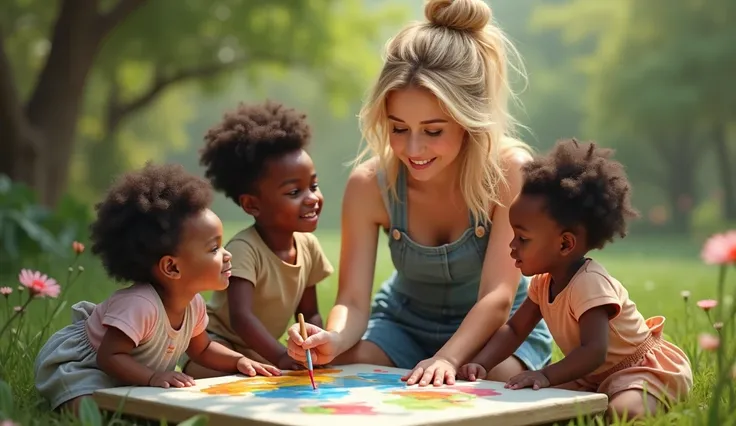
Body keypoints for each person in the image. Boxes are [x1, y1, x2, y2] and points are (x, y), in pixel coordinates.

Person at [286, 0, 553, 387]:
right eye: (398, 128)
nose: (412, 150)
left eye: (432, 131)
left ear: (468, 120)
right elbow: (353, 301)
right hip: (402, 324)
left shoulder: (510, 172)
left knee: (495, 383)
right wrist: (336, 338)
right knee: (343, 369)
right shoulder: (368, 185)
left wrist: (446, 358)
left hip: (497, 333)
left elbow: (497, 296)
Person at [457, 139, 693, 420]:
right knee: (535, 405)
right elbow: (514, 330)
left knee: (623, 411)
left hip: (637, 370)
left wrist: (545, 375)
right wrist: (481, 363)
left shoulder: (589, 283)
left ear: (565, 244)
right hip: (590, 375)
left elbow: (594, 350)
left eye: (523, 238)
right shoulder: (543, 283)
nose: (511, 246)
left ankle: (663, 399)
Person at [34, 163, 280, 414]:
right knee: (92, 409)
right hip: (85, 366)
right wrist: (152, 378)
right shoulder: (141, 305)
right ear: (172, 268)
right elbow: (109, 357)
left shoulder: (193, 304)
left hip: (128, 370)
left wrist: (238, 360)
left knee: (137, 406)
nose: (227, 255)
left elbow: (203, 349)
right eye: (214, 248)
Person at [180, 101, 334, 378]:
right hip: (218, 348)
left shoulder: (309, 248)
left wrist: (312, 343)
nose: (312, 198)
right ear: (252, 205)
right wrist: (279, 355)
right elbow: (241, 318)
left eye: (313, 185)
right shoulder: (244, 249)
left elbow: (309, 312)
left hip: (261, 353)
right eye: (294, 192)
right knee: (235, 384)